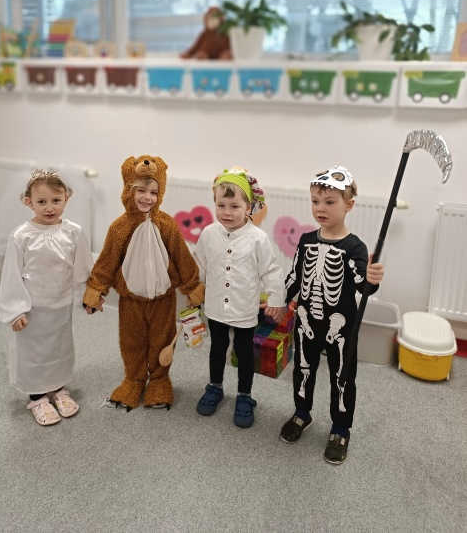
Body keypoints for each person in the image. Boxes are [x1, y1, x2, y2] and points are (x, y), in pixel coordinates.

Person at [280, 165, 384, 464]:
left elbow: (363, 286)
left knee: (342, 376)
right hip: (306, 320)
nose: (320, 208)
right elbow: (295, 277)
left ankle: (340, 428)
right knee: (303, 369)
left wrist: (372, 278)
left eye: (329, 202)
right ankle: (302, 413)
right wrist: (279, 300)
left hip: (341, 325)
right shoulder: (306, 240)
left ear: (348, 205)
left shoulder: (354, 247)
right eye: (315, 201)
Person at [82, 155, 204, 410]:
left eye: (154, 192)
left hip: (163, 298)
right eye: (141, 190)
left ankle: (159, 379)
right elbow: (107, 260)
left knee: (162, 339)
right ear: (129, 190)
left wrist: (192, 286)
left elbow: (182, 256)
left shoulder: (166, 224)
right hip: (131, 299)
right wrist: (96, 289)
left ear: (161, 193)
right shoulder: (119, 227)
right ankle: (134, 379)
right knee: (132, 341)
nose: (147, 197)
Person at [192, 166, 285, 428]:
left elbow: (272, 271)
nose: (227, 212)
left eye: (234, 206)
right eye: (221, 205)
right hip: (215, 307)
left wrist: (276, 300)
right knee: (217, 347)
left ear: (248, 207)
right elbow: (199, 264)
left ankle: (245, 395)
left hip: (244, 308)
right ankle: (215, 386)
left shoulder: (258, 238)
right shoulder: (209, 234)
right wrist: (193, 289)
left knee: (244, 353)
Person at [0, 169, 93, 426]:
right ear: (28, 202)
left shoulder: (73, 232)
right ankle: (37, 396)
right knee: (34, 351)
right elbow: (11, 275)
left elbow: (84, 266)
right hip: (32, 307)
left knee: (60, 346)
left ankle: (57, 387)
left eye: (55, 200)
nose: (49, 207)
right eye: (41, 202)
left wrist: (90, 295)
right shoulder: (21, 236)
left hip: (61, 303)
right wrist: (15, 311)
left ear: (66, 198)